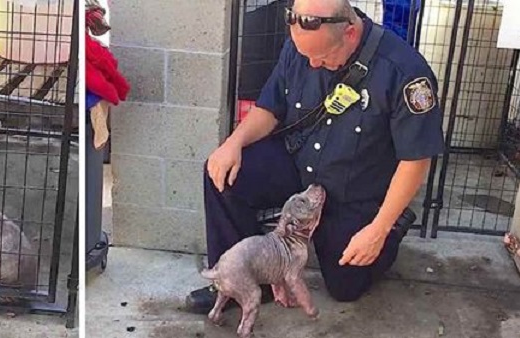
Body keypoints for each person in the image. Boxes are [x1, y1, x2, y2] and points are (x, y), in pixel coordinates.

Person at [185, 0, 445, 314]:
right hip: (299, 164)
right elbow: (271, 107)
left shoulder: (404, 71)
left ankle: (393, 228)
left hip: (354, 189)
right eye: (305, 55)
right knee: (223, 175)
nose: (312, 65)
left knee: (345, 286)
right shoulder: (301, 46)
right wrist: (233, 143)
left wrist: (378, 229)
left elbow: (416, 160)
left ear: (349, 34)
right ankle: (241, 280)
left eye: (321, 57)